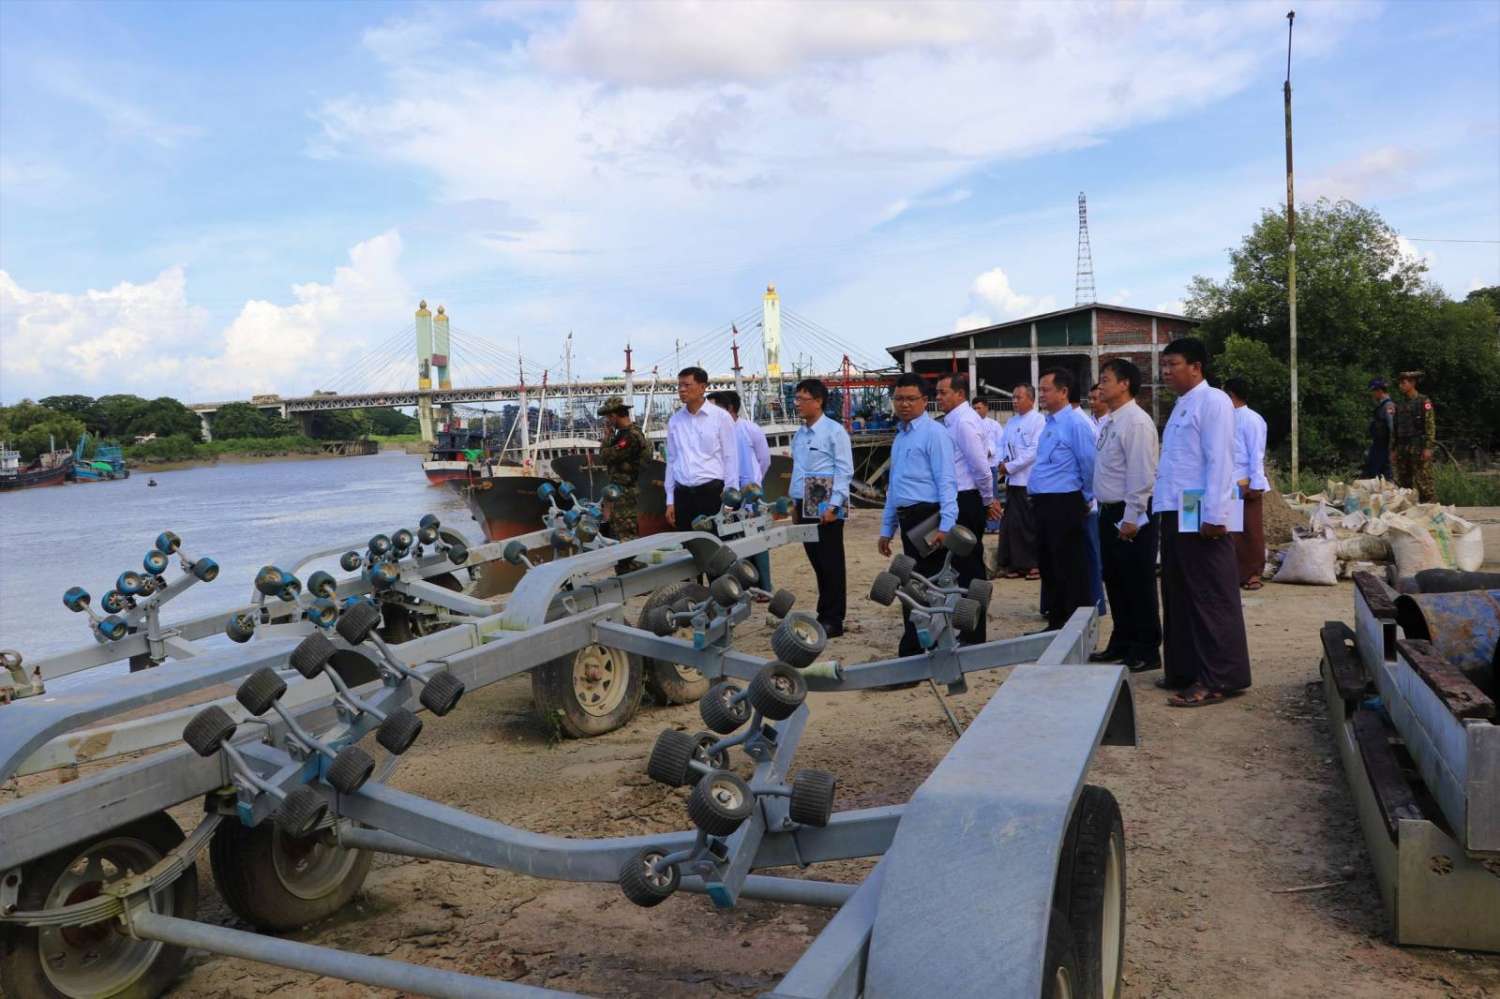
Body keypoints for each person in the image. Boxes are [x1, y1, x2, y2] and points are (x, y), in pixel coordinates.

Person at [1153, 337, 1252, 706]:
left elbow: (1220, 460)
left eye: (1173, 364)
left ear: (1196, 367)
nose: (1165, 372)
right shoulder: (1182, 404)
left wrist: (1215, 514)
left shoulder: (1213, 401)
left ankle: (1219, 678)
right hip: (1176, 507)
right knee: (1179, 593)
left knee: (1209, 594)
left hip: (1200, 509)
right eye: (1164, 365)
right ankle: (1185, 669)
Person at [878, 373, 957, 658]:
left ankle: (921, 649)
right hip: (907, 517)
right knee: (912, 583)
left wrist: (946, 525)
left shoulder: (935, 434)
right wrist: (887, 528)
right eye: (899, 399)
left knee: (928, 585)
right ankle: (917, 646)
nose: (904, 404)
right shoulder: (901, 437)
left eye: (911, 399)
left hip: (928, 518)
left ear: (925, 400)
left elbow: (947, 481)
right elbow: (895, 486)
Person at [1091, 359, 1162, 671]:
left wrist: (1132, 515)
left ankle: (1146, 648)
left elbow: (1142, 473)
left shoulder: (1136, 422)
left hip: (1130, 512)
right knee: (1116, 579)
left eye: (1106, 380)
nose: (1100, 385)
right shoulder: (1111, 421)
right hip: (1108, 511)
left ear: (1125, 384)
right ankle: (1122, 642)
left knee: (1137, 580)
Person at [1028, 368, 1097, 632]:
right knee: (1049, 565)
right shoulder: (1049, 424)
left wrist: (1086, 496)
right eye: (1041, 390)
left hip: (1065, 502)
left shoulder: (1076, 423)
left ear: (1064, 391)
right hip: (1044, 503)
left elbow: (1089, 463)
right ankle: (1056, 622)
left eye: (1046, 390)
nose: (1042, 395)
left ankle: (1076, 628)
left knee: (1070, 566)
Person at [789, 378, 854, 638]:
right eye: (795, 399)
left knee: (831, 561)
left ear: (818, 401)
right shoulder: (800, 434)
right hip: (804, 499)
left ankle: (833, 618)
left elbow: (844, 470)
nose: (797, 404)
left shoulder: (834, 431)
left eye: (802, 399)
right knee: (816, 560)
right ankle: (823, 612)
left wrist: (834, 506)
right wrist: (795, 503)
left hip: (826, 498)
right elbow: (797, 470)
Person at [936, 373, 998, 641]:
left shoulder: (964, 422)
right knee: (960, 566)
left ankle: (974, 632)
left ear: (960, 394)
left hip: (966, 498)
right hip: (959, 498)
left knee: (969, 567)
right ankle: (967, 626)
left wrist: (987, 500)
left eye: (943, 393)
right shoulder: (954, 420)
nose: (938, 398)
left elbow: (981, 467)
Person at [708, 389, 773, 592]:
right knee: (732, 538)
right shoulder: (716, 432)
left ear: (730, 409)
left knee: (757, 539)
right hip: (728, 492)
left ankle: (765, 586)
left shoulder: (750, 429)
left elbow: (765, 460)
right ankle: (742, 585)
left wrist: (755, 483)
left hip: (751, 492)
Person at [664, 366, 739, 532]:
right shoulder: (675, 421)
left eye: (687, 385)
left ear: (702, 387)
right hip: (683, 496)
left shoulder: (721, 417)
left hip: (712, 495)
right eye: (679, 385)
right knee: (688, 544)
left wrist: (730, 499)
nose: (681, 390)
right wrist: (670, 500)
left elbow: (730, 458)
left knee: (717, 542)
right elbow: (672, 460)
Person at [995, 384, 1044, 580]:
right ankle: (1016, 563)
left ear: (1031, 399)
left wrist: (1011, 466)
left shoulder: (1038, 420)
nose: (1014, 401)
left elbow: (1034, 451)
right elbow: (1001, 445)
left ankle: (1033, 564)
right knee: (1012, 525)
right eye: (1013, 397)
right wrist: (1001, 462)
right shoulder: (1012, 421)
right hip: (1012, 481)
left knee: (1028, 525)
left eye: (1019, 397)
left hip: (1028, 481)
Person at [1225, 378, 1269, 591]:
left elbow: (1256, 454)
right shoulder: (1224, 418)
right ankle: (1234, 573)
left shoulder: (1252, 419)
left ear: (1231, 394)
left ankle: (1253, 574)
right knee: (1232, 530)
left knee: (1250, 530)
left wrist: (1255, 483)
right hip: (1227, 481)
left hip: (1246, 480)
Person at [596, 396, 648, 572]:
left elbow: (606, 456)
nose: (607, 421)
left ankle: (627, 567)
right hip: (620, 489)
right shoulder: (624, 434)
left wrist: (606, 438)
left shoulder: (630, 436)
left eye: (608, 417)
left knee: (625, 530)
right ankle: (625, 565)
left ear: (614, 415)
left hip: (625, 490)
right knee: (620, 529)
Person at [1393, 370, 1437, 502]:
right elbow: (1396, 428)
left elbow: (1430, 426)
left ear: (1412, 383)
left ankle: (1431, 508)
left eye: (1404, 383)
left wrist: (1428, 447)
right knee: (1404, 484)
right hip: (1403, 448)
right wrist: (1394, 449)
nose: (1401, 386)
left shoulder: (1423, 401)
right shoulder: (1400, 404)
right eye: (1400, 383)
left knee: (1424, 482)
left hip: (1419, 447)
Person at [1363, 378, 1396, 480]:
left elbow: (1392, 427)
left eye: (1373, 391)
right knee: (1373, 471)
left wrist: (1392, 447)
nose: (1372, 394)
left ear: (1380, 391)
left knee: (1383, 474)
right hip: (1378, 444)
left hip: (1384, 446)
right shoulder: (1381, 406)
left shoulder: (1388, 405)